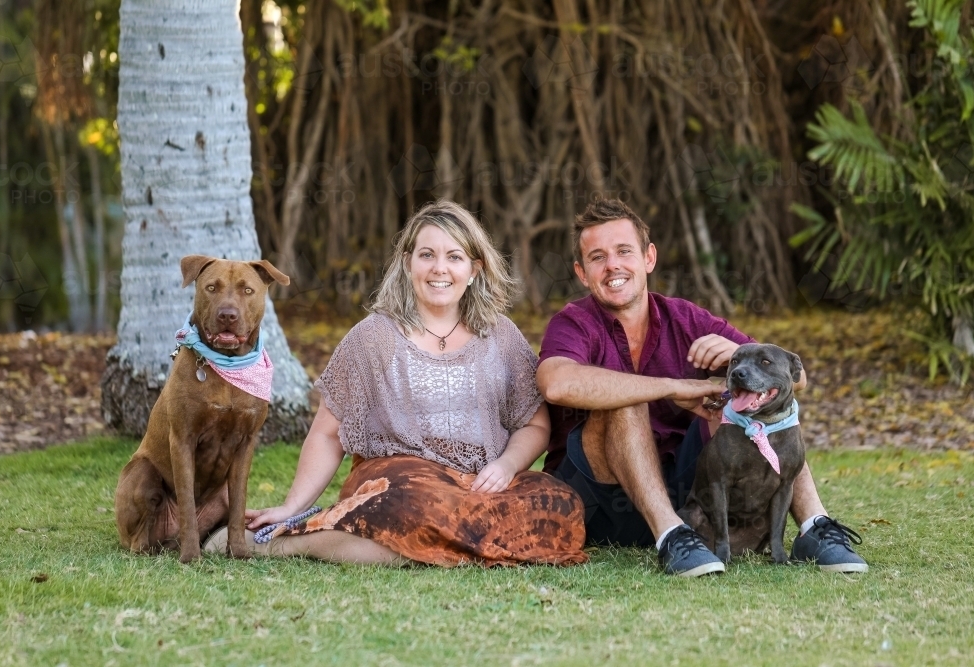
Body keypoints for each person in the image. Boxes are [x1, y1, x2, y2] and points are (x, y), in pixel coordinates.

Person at [204, 200, 587, 566]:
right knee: (410, 508)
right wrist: (291, 506)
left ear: (475, 269)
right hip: (398, 485)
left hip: (476, 488)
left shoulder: (500, 335)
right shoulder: (374, 337)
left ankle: (431, 544)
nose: (440, 268)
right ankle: (288, 541)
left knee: (559, 504)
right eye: (427, 255)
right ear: (407, 263)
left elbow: (535, 424)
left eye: (454, 257)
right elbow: (328, 434)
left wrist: (506, 465)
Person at [536, 198, 867, 576]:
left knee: (756, 405)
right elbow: (556, 384)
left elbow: (795, 377)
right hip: (598, 499)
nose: (613, 265)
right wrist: (671, 387)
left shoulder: (685, 317)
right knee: (625, 400)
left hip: (685, 494)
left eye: (624, 251)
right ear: (582, 273)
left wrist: (734, 352)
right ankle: (671, 536)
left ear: (648, 258)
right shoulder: (573, 322)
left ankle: (814, 526)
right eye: (598, 257)